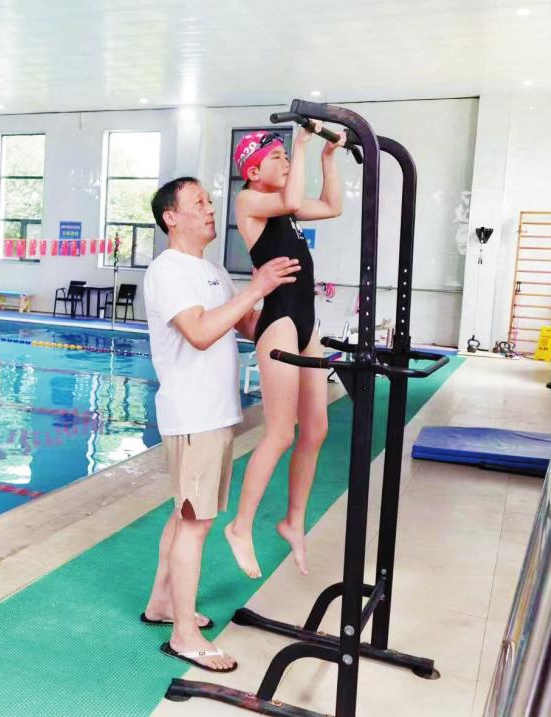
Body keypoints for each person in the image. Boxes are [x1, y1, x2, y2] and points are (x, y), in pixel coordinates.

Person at [141, 176, 300, 672]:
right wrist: (255, 288)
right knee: (196, 523)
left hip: (215, 412)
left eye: (210, 201)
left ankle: (161, 604)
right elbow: (200, 332)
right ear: (171, 217)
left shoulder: (211, 270)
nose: (211, 208)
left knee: (184, 514)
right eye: (199, 202)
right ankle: (184, 636)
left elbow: (244, 324)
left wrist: (288, 307)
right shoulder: (168, 270)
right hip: (194, 414)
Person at [224, 123, 345, 579]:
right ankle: (240, 526)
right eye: (277, 158)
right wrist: (300, 141)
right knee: (280, 434)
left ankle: (293, 520)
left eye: (287, 157)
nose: (287, 163)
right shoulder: (248, 202)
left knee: (316, 428)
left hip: (306, 323)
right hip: (278, 324)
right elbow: (293, 200)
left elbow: (332, 206)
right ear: (253, 171)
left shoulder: (286, 210)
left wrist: (327, 158)